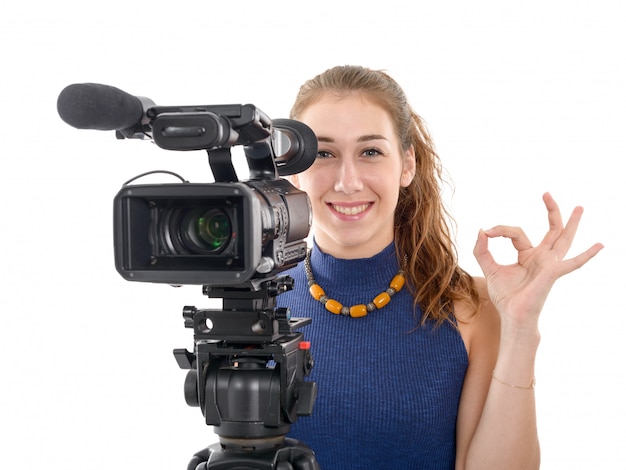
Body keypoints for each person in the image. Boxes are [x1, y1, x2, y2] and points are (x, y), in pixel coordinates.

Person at [276, 65, 603, 470]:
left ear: (407, 165)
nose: (347, 181)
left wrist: (519, 329)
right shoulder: (252, 301)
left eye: (371, 152)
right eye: (324, 153)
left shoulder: (471, 307)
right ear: (291, 171)